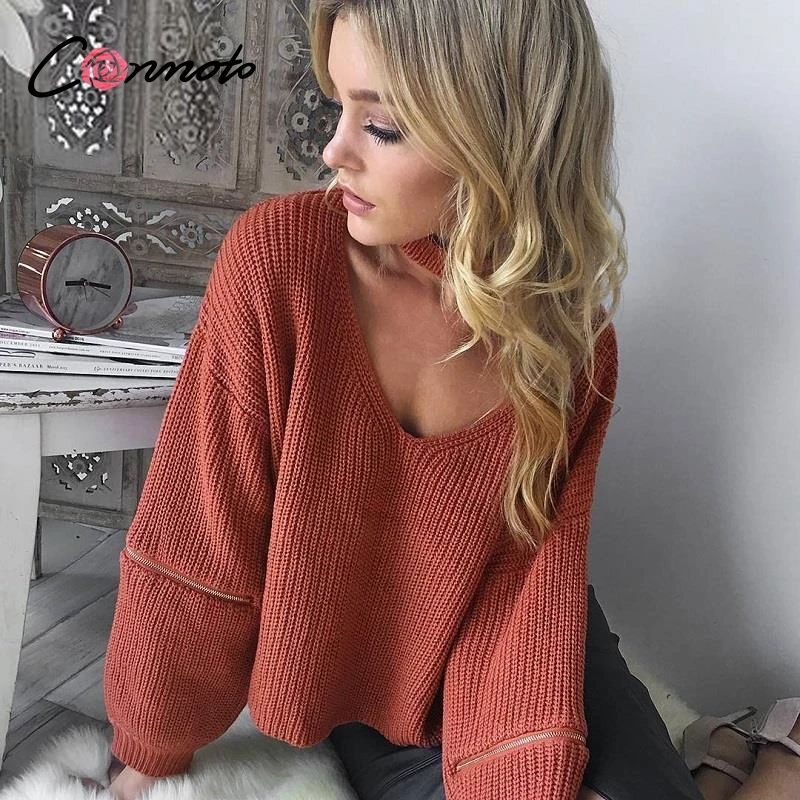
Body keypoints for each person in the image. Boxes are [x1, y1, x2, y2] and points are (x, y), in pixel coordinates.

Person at [104, 1, 800, 799]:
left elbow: (527, 592)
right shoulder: (281, 263)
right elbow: (199, 536)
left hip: (532, 636)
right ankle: (749, 756)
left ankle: (768, 758)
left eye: (382, 126)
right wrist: (151, 748)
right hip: (374, 690)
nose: (333, 152)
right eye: (339, 107)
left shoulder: (568, 346)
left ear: (499, 137)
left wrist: (522, 773)